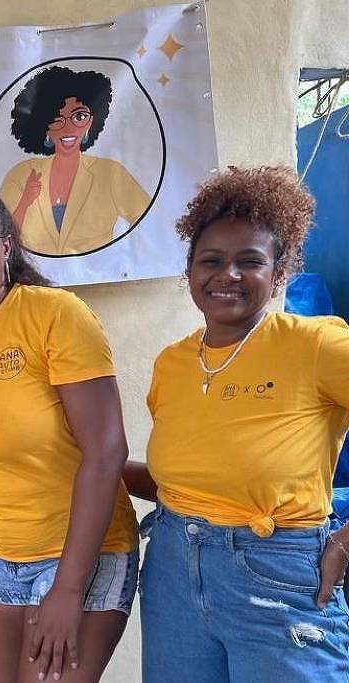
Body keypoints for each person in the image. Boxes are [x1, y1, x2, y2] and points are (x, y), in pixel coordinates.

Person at [125, 166, 349, 682]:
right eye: (211, 261)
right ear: (190, 271)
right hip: (172, 571)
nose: (228, 275)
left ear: (279, 271)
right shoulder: (173, 363)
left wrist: (345, 540)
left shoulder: (314, 345)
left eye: (249, 261)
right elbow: (196, 478)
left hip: (278, 575)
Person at [0, 180, 138, 682]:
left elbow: (106, 452)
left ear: (6, 246)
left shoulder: (55, 314)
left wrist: (68, 588)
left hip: (78, 555)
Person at [0, 65, 150, 255]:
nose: (68, 128)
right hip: (30, 274)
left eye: (79, 116)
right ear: (44, 126)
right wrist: (25, 202)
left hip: (100, 272)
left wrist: (120, 259)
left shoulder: (110, 173)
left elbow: (149, 223)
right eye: (57, 119)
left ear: (90, 122)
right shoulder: (21, 174)